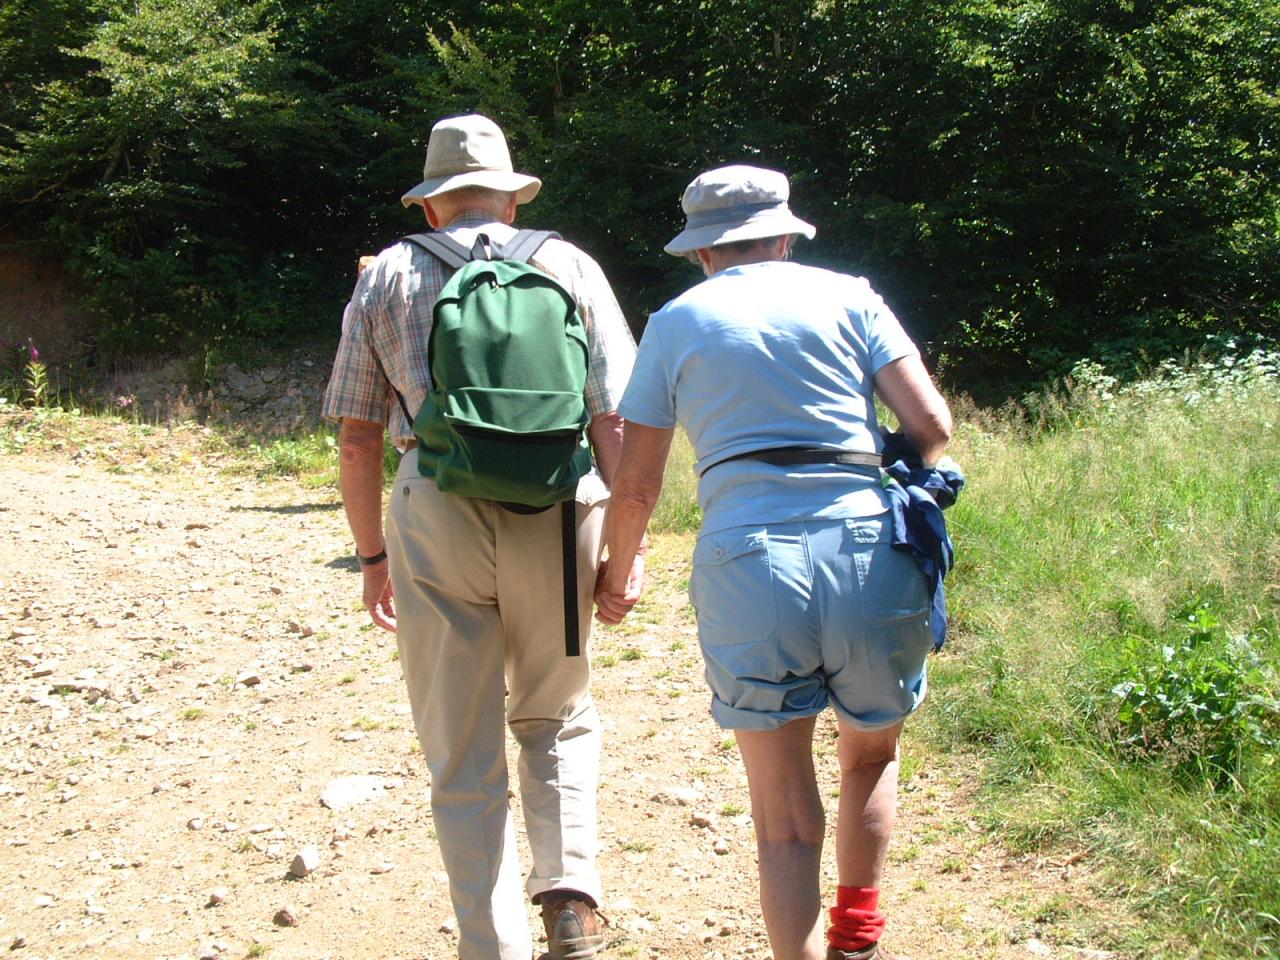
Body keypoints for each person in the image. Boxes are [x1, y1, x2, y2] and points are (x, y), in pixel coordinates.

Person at [594, 165, 954, 960]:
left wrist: (617, 577)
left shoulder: (677, 320)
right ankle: (855, 940)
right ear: (787, 235)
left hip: (747, 559)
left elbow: (638, 485)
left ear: (702, 253)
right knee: (869, 753)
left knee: (782, 813)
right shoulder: (852, 295)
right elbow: (932, 423)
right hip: (868, 544)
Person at [322, 114, 638, 960]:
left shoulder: (388, 274)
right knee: (558, 711)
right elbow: (614, 414)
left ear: (433, 206)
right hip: (560, 502)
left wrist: (373, 556)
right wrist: (624, 549)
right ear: (509, 194)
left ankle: (491, 944)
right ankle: (569, 898)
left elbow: (356, 435)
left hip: (436, 503)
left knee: (461, 741)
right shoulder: (569, 264)